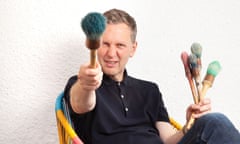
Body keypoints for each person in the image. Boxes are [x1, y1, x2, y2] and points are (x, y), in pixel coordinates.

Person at [63, 8, 240, 144]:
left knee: (214, 122)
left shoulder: (150, 90)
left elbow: (168, 139)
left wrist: (189, 125)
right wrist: (86, 85)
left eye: (120, 45)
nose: (111, 53)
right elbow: (81, 103)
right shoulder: (81, 83)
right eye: (105, 44)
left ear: (133, 49)